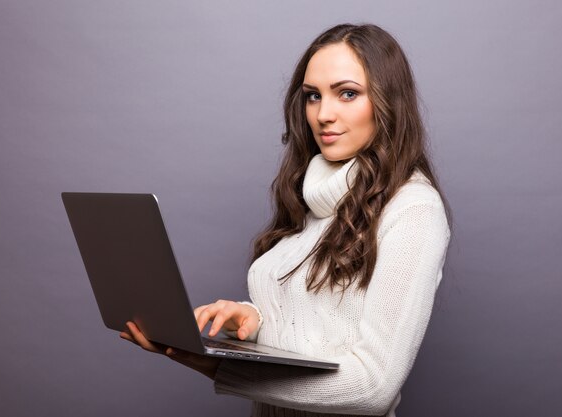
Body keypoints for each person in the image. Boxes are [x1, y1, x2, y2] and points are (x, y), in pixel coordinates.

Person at [120, 23, 451, 416]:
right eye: (313, 96)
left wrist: (215, 367)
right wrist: (253, 320)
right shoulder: (315, 195)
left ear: (388, 101)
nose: (324, 114)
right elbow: (319, 327)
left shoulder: (413, 208)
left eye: (348, 93)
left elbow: (374, 385)